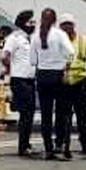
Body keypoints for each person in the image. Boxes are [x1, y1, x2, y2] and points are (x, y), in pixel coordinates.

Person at [30, 8, 74, 160]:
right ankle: (61, 145)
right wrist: (62, 61)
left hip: (42, 76)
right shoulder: (60, 34)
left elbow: (32, 61)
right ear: (55, 20)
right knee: (62, 113)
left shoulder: (35, 36)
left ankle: (48, 148)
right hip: (58, 76)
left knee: (46, 115)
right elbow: (71, 53)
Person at [1, 11, 37, 157]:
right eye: (30, 22)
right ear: (23, 23)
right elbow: (5, 56)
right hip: (20, 79)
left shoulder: (32, 38)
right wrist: (9, 69)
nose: (33, 25)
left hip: (30, 79)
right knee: (26, 113)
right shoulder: (14, 38)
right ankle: (23, 147)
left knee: (29, 113)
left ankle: (26, 143)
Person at [58, 13, 86, 155]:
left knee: (82, 116)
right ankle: (60, 143)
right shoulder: (56, 41)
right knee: (62, 116)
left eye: (69, 24)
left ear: (74, 25)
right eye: (64, 24)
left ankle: (85, 144)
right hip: (63, 83)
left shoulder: (84, 40)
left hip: (80, 83)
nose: (67, 27)